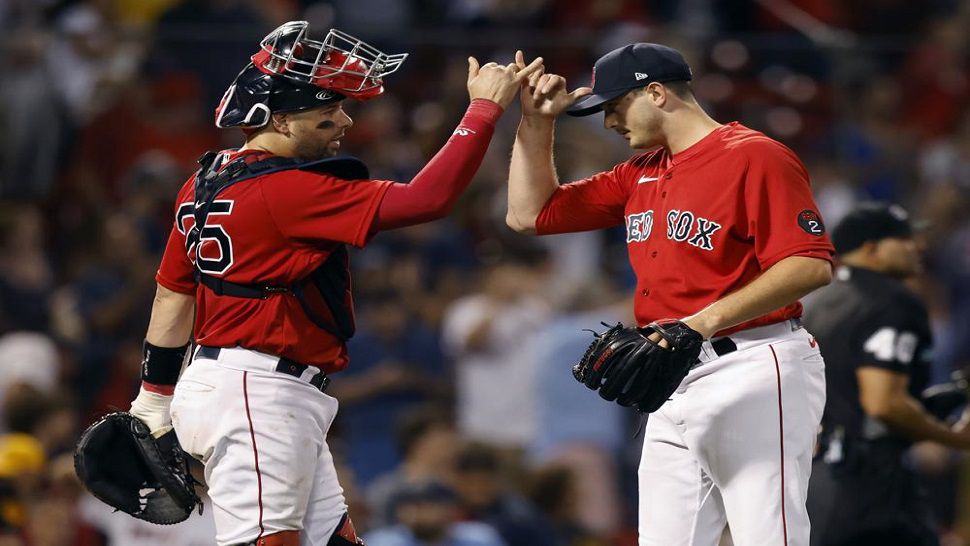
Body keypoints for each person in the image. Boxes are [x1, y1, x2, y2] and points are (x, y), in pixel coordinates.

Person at [123, 21, 541, 546]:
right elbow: (427, 199)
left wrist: (153, 398)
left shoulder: (204, 181)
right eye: (329, 110)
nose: (343, 120)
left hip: (235, 383)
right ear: (277, 118)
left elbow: (173, 294)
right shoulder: (290, 189)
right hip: (258, 392)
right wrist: (483, 110)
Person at [507, 44, 834, 545]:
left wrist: (699, 322)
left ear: (656, 92)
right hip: (671, 377)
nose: (609, 122)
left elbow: (808, 264)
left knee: (768, 536)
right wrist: (536, 121)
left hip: (753, 361)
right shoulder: (639, 172)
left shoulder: (753, 155)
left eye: (615, 106)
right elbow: (529, 215)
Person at [804, 203, 964, 546]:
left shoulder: (816, 303)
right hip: (872, 486)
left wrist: (928, 405)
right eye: (903, 238)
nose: (917, 246)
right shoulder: (892, 301)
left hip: (814, 479)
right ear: (871, 249)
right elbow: (882, 404)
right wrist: (952, 438)